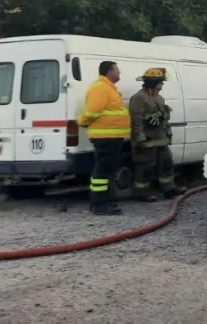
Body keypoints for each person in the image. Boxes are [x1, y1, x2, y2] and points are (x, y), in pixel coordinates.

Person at [77, 61, 130, 216]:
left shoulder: (108, 88)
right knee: (102, 171)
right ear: (109, 71)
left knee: (107, 171)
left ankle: (104, 201)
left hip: (111, 136)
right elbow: (93, 111)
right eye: (117, 70)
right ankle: (99, 204)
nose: (119, 72)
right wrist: (82, 121)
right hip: (105, 137)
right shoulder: (100, 88)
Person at [128, 68, 185, 202]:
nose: (162, 85)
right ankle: (141, 193)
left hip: (160, 139)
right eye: (160, 82)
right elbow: (136, 120)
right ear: (153, 83)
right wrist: (140, 139)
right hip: (147, 140)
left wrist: (163, 114)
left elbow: (163, 116)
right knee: (145, 167)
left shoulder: (159, 98)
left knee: (166, 163)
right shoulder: (138, 98)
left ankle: (169, 189)